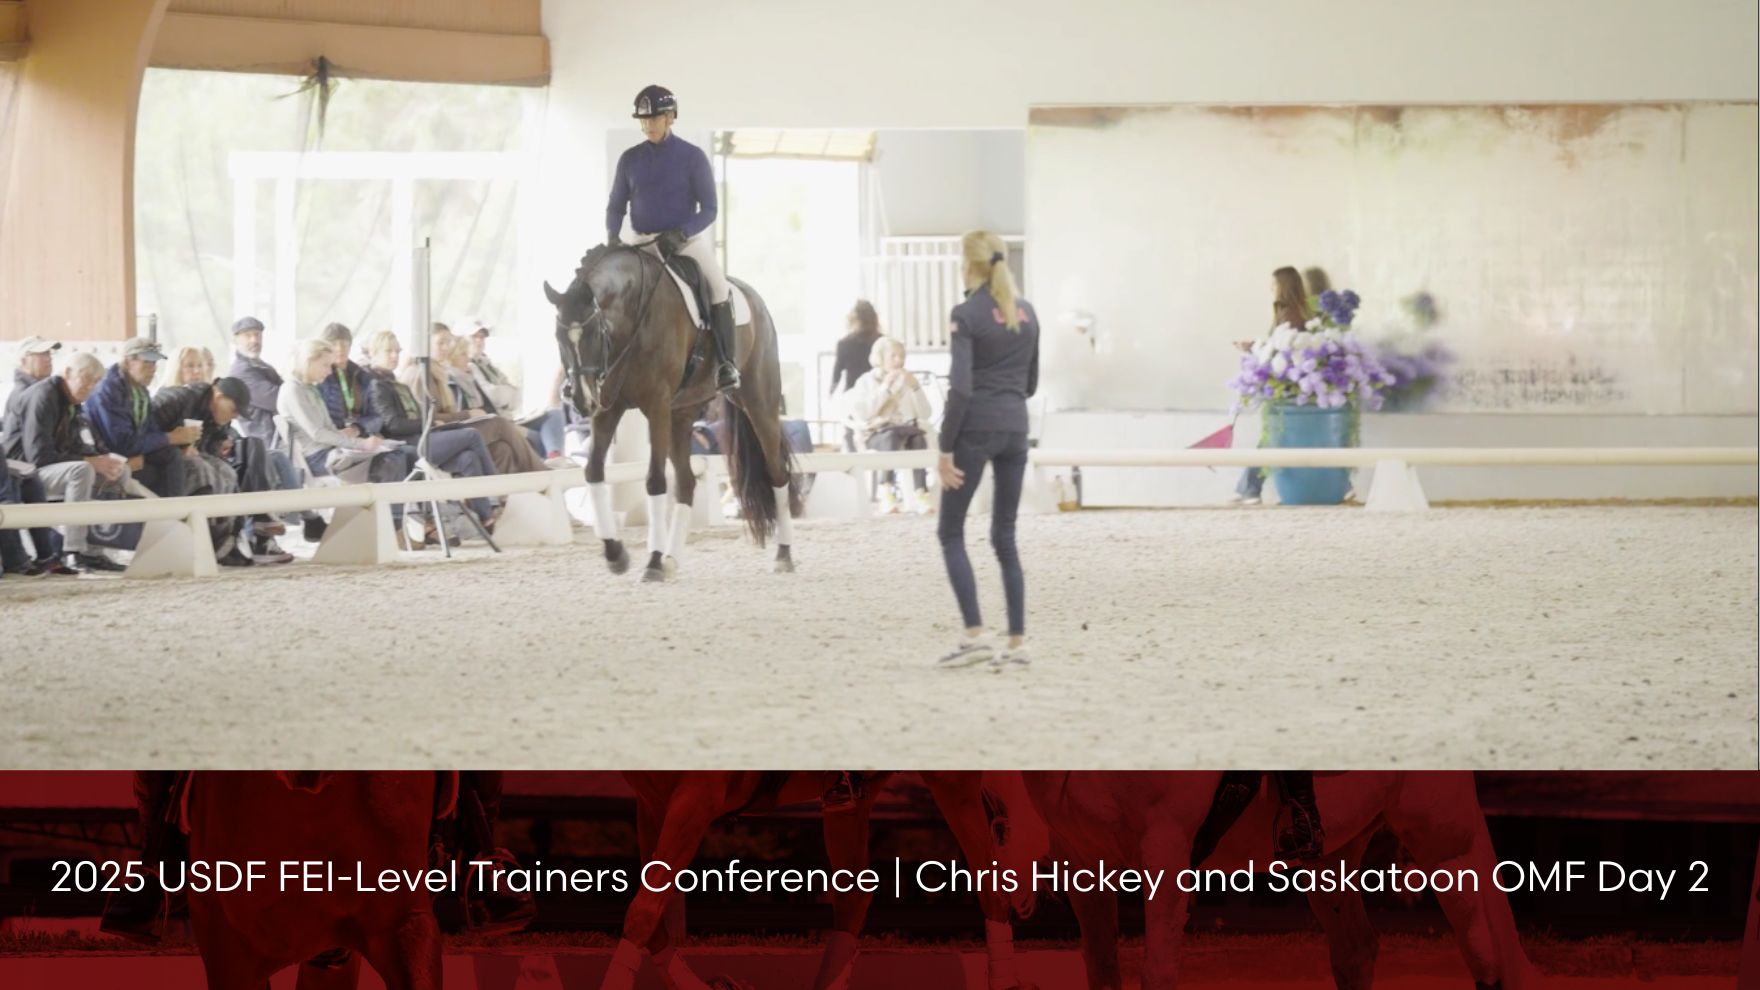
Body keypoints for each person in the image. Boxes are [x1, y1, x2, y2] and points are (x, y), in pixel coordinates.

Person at [935, 230, 1039, 671]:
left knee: (951, 531)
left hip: (975, 429)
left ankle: (975, 634)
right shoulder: (1027, 313)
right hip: (1016, 427)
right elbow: (1031, 382)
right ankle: (1017, 642)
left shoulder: (966, 313)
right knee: (1005, 537)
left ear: (968, 264)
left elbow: (960, 388)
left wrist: (944, 447)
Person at [605, 83, 739, 393]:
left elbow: (710, 209)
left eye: (654, 119)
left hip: (684, 241)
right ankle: (605, 363)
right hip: (641, 241)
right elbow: (615, 206)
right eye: (643, 120)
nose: (647, 125)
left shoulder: (693, 158)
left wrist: (681, 234)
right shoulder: (629, 159)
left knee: (718, 286)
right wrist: (613, 238)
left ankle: (726, 363)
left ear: (670, 118)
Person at [280, 338, 418, 546]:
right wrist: (360, 444)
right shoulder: (293, 390)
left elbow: (325, 430)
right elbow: (317, 433)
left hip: (330, 449)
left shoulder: (308, 388)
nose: (329, 372)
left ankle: (396, 525)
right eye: (325, 365)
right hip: (319, 457)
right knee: (392, 460)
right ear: (309, 361)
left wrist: (352, 437)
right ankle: (393, 530)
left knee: (406, 453)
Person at [7, 351, 133, 573]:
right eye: (86, 378)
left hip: (48, 469)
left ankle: (95, 550)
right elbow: (38, 457)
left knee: (119, 471)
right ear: (67, 373)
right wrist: (90, 461)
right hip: (22, 474)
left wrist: (102, 460)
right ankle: (72, 552)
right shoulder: (43, 395)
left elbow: (77, 445)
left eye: (95, 382)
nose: (90, 387)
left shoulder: (72, 402)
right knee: (82, 470)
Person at [363, 330, 499, 530]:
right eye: (388, 351)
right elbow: (393, 425)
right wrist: (429, 423)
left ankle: (486, 516)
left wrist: (430, 423)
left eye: (397, 351)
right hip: (408, 444)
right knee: (472, 435)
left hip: (421, 438)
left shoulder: (394, 383)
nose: (394, 356)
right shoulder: (376, 385)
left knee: (469, 457)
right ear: (374, 353)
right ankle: (497, 489)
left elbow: (411, 417)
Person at [148, 376, 265, 567]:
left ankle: (227, 540)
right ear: (218, 397)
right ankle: (211, 540)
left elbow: (211, 448)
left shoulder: (219, 416)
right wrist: (174, 444)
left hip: (185, 458)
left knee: (227, 473)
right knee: (202, 470)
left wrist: (214, 447)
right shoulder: (176, 399)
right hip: (158, 460)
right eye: (233, 409)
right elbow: (143, 433)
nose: (234, 416)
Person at [230, 315, 326, 544]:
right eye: (248, 335)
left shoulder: (263, 367)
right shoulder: (242, 372)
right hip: (265, 438)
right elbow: (279, 399)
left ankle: (310, 517)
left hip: (283, 436)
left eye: (257, 334)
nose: (254, 340)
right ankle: (308, 517)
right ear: (236, 340)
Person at [402, 328, 547, 476]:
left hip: (449, 429)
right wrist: (467, 414)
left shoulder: (439, 373)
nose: (446, 347)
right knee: (499, 424)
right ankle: (542, 474)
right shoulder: (421, 375)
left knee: (502, 449)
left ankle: (502, 495)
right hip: (437, 436)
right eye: (440, 343)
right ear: (426, 345)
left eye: (448, 342)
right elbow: (426, 418)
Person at [1231, 266, 1314, 506]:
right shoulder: (1295, 312)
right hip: (1292, 385)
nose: (1271, 290)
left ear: (1284, 286)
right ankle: (1249, 487)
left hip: (1287, 386)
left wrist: (1253, 348)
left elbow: (1283, 348)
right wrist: (1256, 344)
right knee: (1285, 437)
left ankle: (1250, 488)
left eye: (1274, 285)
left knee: (1273, 437)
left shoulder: (1290, 314)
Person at [84, 337, 199, 498]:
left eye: (155, 363)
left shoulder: (140, 391)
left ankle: (173, 512)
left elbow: (150, 430)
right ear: (127, 362)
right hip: (110, 461)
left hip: (132, 455)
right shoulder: (108, 391)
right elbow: (122, 444)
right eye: (147, 363)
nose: (153, 369)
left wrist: (180, 443)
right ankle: (173, 513)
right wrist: (171, 437)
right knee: (167, 466)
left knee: (176, 457)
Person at [845, 336, 933, 514]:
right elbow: (863, 413)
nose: (898, 360)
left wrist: (916, 387)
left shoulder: (907, 382)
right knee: (890, 437)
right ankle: (886, 492)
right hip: (876, 433)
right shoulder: (866, 381)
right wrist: (885, 388)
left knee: (918, 437)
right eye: (893, 356)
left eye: (901, 356)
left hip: (905, 430)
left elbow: (925, 414)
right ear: (880, 358)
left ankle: (921, 493)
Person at [3, 336, 69, 569]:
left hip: (21, 464)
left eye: (49, 354)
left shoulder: (39, 391)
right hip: (19, 464)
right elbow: (35, 449)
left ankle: (45, 555)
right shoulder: (30, 393)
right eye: (41, 355)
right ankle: (48, 555)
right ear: (23, 361)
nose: (48, 359)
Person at [828, 300, 883, 397]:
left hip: (853, 395)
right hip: (878, 395)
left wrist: (831, 393)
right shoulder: (883, 342)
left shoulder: (844, 344)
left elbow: (836, 375)